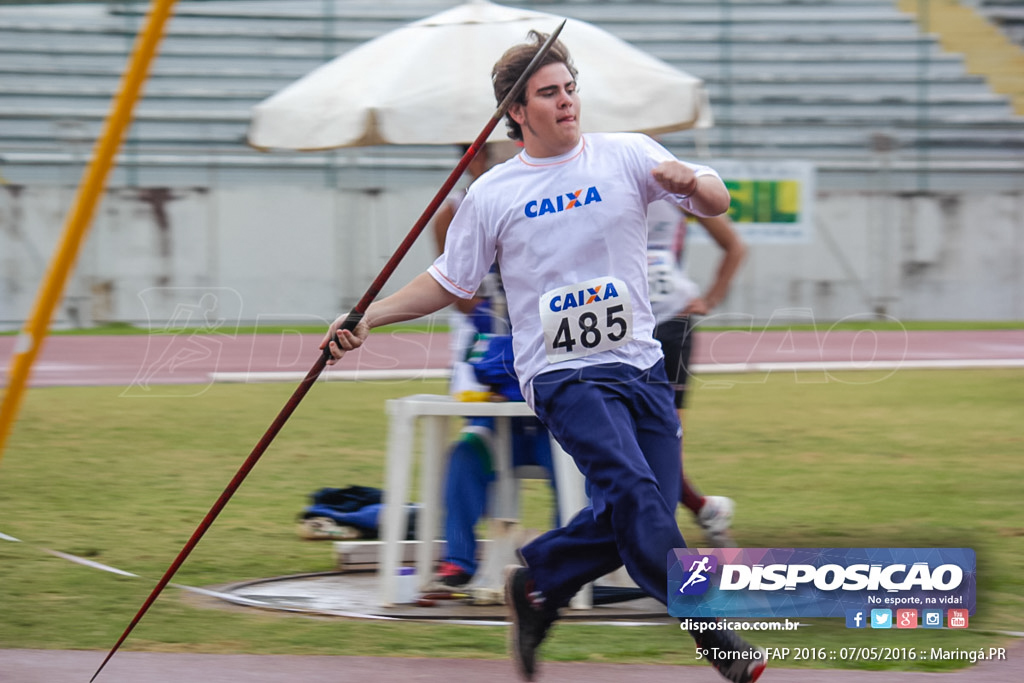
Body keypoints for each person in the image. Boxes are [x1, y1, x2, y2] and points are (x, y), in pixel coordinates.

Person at [323, 31, 765, 683]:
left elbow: (717, 201)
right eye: (548, 93)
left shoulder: (627, 155)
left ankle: (537, 583)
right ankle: (715, 632)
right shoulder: (494, 194)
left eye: (569, 88)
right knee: (635, 493)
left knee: (640, 508)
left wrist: (693, 179)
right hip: (562, 373)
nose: (565, 102)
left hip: (640, 366)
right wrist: (367, 317)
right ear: (516, 113)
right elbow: (450, 281)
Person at [430, 144, 558, 591]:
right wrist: (498, 326)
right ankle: (458, 558)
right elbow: (460, 292)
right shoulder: (452, 213)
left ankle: (561, 568)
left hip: (551, 409)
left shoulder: (549, 201)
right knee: (466, 451)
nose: (473, 161)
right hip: (494, 365)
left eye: (480, 153)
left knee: (576, 464)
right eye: (466, 154)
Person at [647, 200, 748, 546]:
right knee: (623, 435)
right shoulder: (594, 184)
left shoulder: (677, 189)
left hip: (671, 322)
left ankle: (664, 541)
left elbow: (734, 246)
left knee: (664, 438)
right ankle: (704, 509)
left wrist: (710, 298)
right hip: (619, 325)